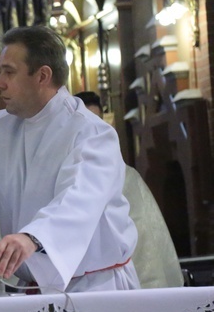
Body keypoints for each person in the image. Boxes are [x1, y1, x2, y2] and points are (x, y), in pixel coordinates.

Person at [0, 25, 139, 293]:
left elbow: (79, 201)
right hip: (32, 289)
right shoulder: (3, 127)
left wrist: (33, 238)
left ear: (42, 75)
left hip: (94, 289)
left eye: (9, 72)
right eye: (0, 72)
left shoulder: (90, 132)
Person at [75, 91, 183, 288]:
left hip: (120, 283)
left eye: (99, 122)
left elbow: (147, 246)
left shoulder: (127, 176)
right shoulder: (60, 177)